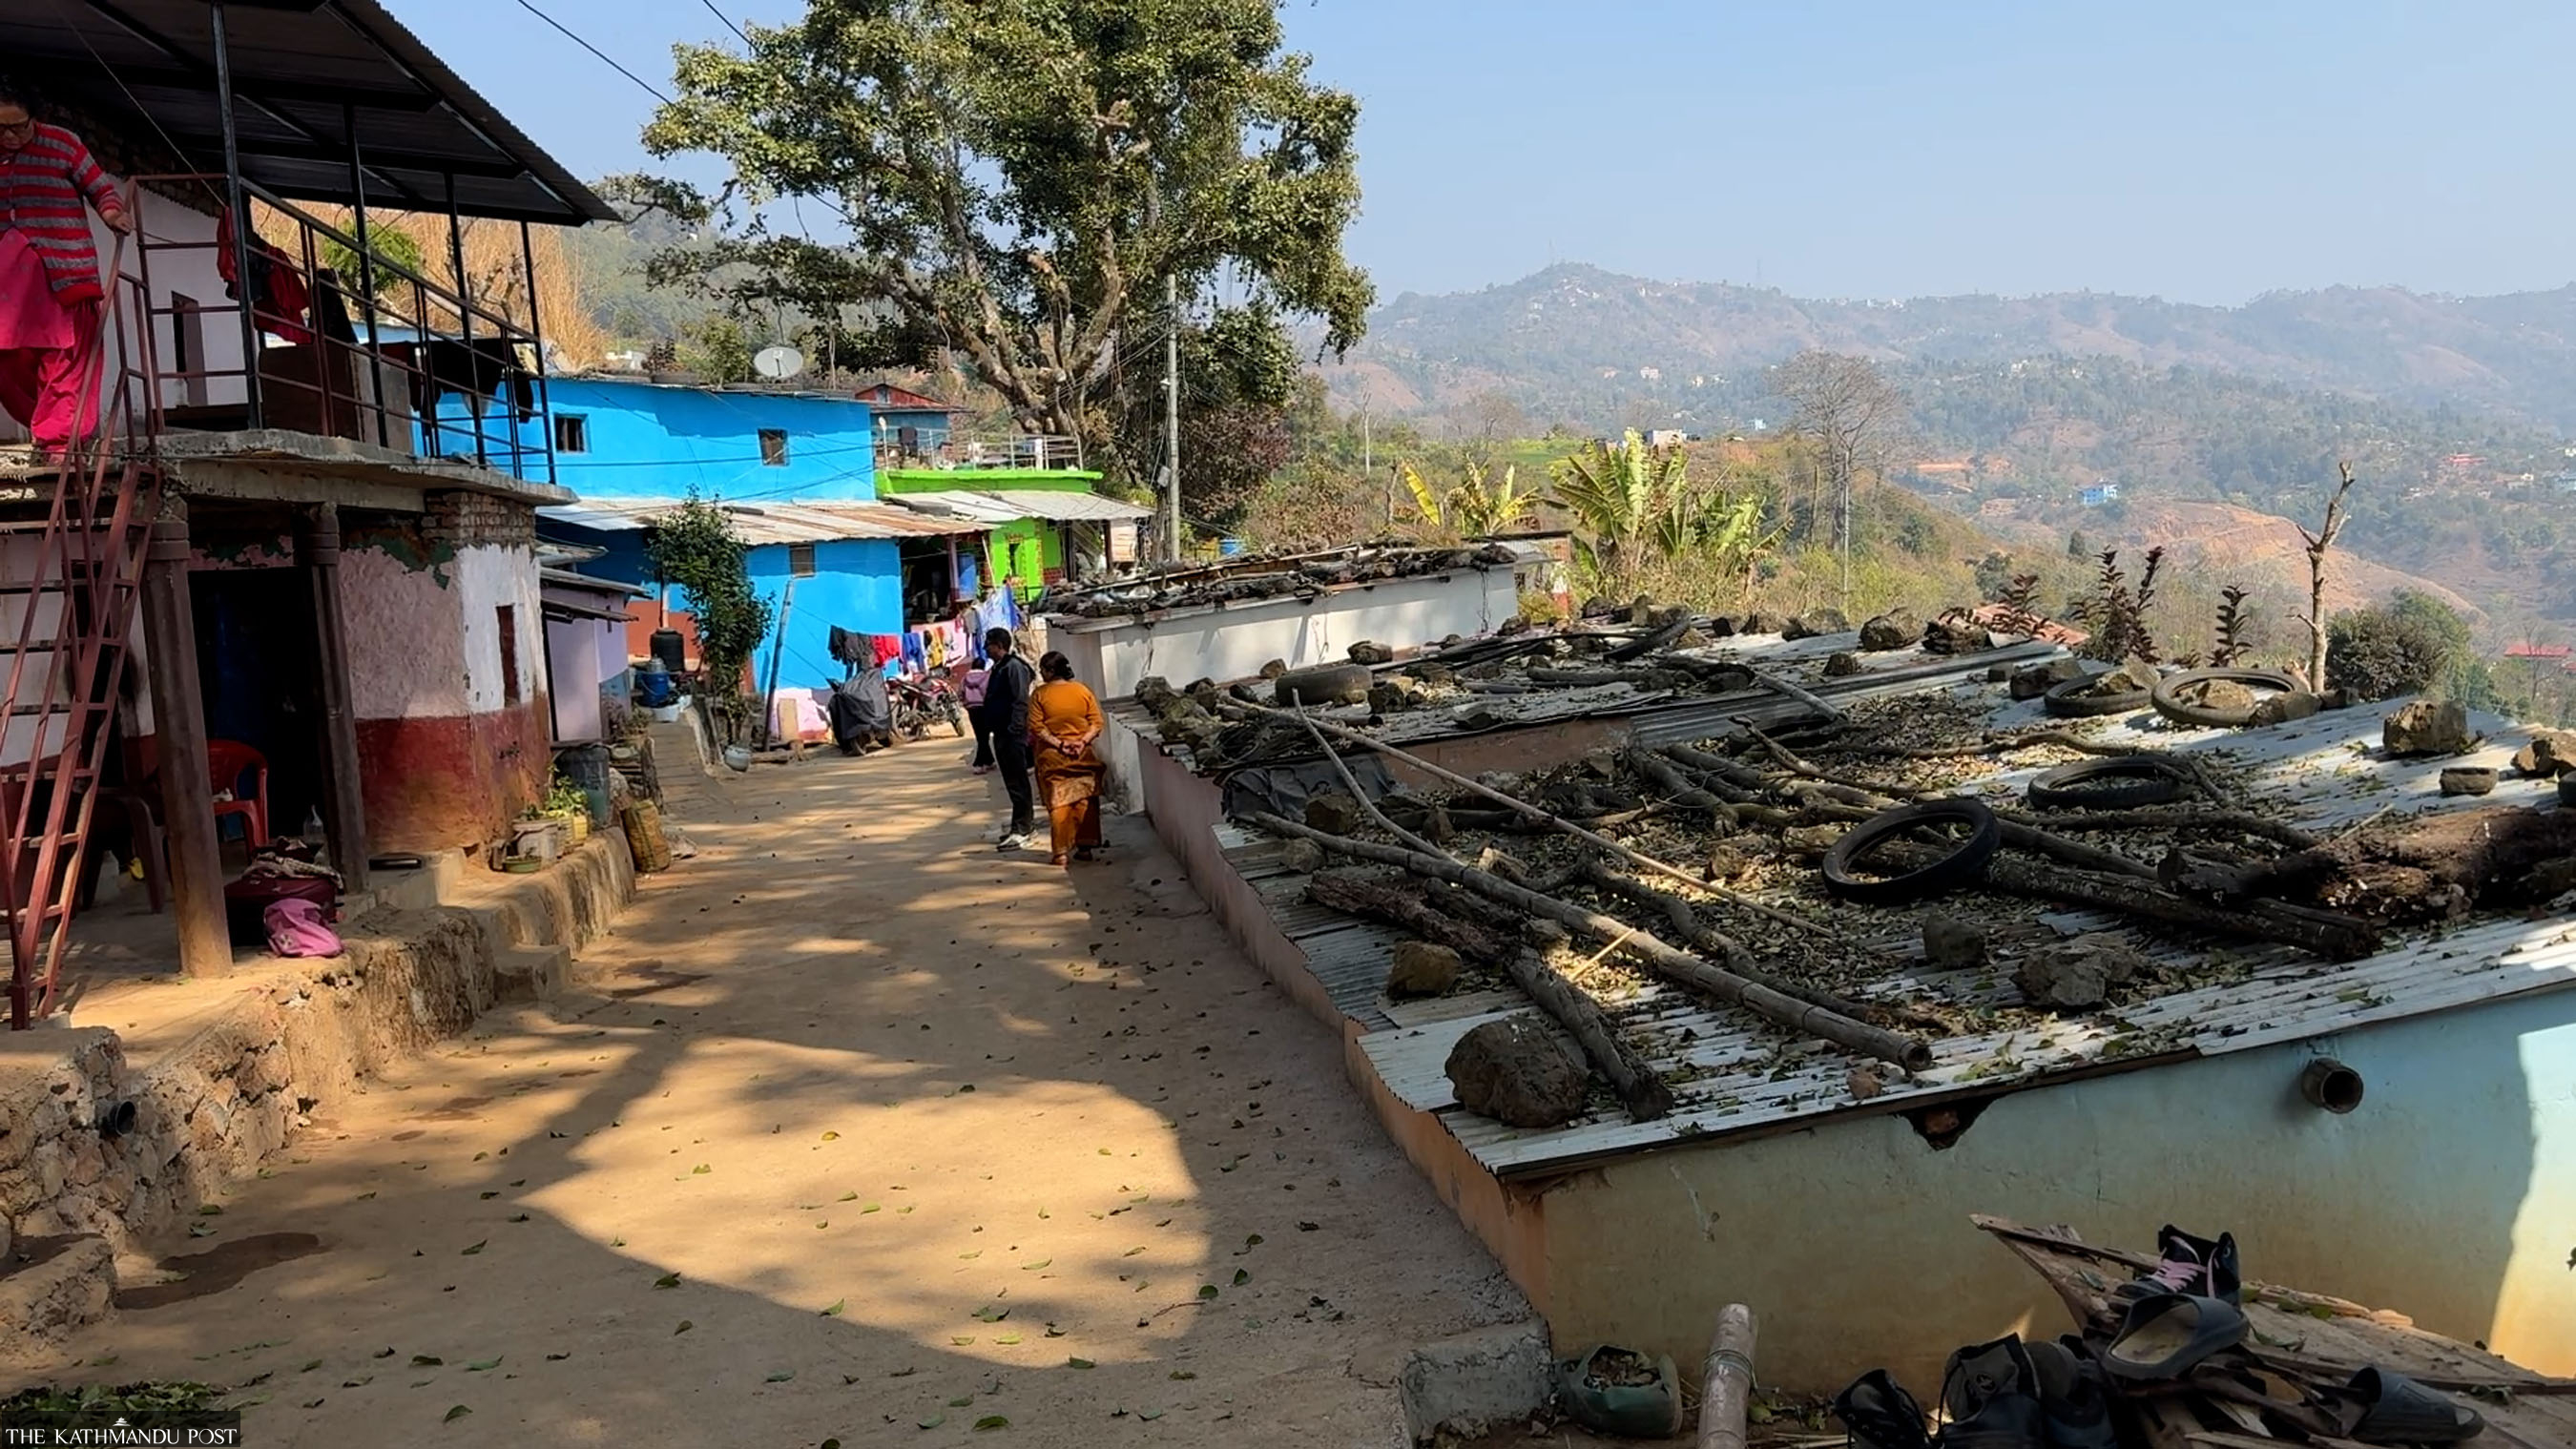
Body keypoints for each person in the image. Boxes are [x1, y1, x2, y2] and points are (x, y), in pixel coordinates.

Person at [0, 84, 131, 450]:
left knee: (66, 360)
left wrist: (112, 214)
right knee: (8, 363)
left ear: (34, 118)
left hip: (64, 276)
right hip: (8, 285)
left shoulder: (63, 145)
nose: (10, 137)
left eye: (18, 127)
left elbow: (100, 188)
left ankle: (59, 443)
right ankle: (49, 426)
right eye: (1, 129)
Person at [1028, 652, 1107, 867]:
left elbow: (1037, 727)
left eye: (1043, 670)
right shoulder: (1082, 690)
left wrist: (1060, 744)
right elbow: (1096, 722)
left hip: (1053, 757)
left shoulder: (1040, 694)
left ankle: (1060, 854)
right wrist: (1081, 742)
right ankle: (1085, 848)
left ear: (1050, 671)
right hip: (1083, 755)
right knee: (1085, 799)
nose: (1041, 674)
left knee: (1058, 802)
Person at [983, 627, 1036, 850]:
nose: (986, 649)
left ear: (999, 646)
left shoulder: (1014, 667)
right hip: (1001, 733)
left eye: (989, 645)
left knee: (1018, 781)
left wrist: (1015, 729)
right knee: (1012, 782)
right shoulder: (999, 668)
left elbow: (1020, 700)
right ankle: (1019, 825)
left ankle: (1023, 828)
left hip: (1012, 734)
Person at [961, 658, 994, 774]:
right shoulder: (987, 677)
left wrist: (965, 704)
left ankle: (989, 760)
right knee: (984, 736)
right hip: (984, 707)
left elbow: (960, 693)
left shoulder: (965, 678)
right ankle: (979, 763)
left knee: (980, 735)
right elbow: (989, 691)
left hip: (972, 709)